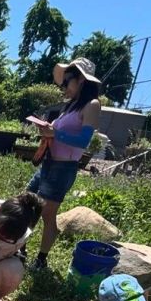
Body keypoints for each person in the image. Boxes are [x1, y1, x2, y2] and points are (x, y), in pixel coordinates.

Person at [27, 57, 101, 272]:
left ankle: (41, 259)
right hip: (48, 164)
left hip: (63, 169)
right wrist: (49, 130)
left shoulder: (92, 105)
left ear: (81, 81)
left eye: (67, 80)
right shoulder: (71, 107)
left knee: (47, 215)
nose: (64, 86)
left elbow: (83, 141)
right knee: (28, 204)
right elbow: (61, 134)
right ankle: (19, 247)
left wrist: (55, 132)